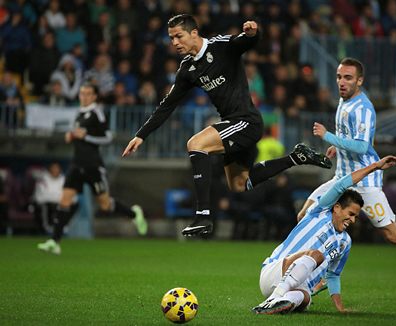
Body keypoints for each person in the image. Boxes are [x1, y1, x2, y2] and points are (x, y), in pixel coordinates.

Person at [122, 14, 331, 237]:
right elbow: (167, 105)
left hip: (246, 121)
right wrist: (141, 135)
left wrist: (253, 33)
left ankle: (203, 214)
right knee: (240, 184)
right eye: (171, 38)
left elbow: (245, 41)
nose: (174, 42)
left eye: (178, 36)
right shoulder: (187, 69)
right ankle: (295, 157)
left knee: (196, 143)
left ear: (194, 33)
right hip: (234, 125)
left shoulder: (220, 46)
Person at [297, 57, 396, 308]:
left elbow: (362, 146)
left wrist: (329, 136)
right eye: (339, 77)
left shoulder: (363, 108)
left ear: (360, 81)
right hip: (343, 177)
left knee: (392, 234)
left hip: (365, 181)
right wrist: (336, 148)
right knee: (306, 214)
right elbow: (350, 138)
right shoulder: (343, 99)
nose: (341, 82)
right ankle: (322, 273)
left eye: (348, 78)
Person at [252, 155, 396, 315]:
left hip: (297, 287)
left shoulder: (345, 242)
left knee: (306, 298)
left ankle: (282, 303)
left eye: (355, 217)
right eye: (350, 214)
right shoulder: (319, 211)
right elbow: (341, 184)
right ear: (336, 207)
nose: (352, 220)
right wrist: (374, 167)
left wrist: (339, 306)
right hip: (275, 272)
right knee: (316, 254)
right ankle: (274, 298)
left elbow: (333, 275)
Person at [37, 83, 147, 255]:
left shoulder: (97, 113)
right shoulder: (79, 113)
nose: (84, 96)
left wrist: (86, 136)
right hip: (77, 163)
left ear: (95, 96)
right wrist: (72, 137)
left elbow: (107, 137)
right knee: (64, 200)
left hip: (92, 165)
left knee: (104, 204)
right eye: (82, 93)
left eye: (88, 94)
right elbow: (80, 136)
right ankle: (54, 241)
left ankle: (134, 214)